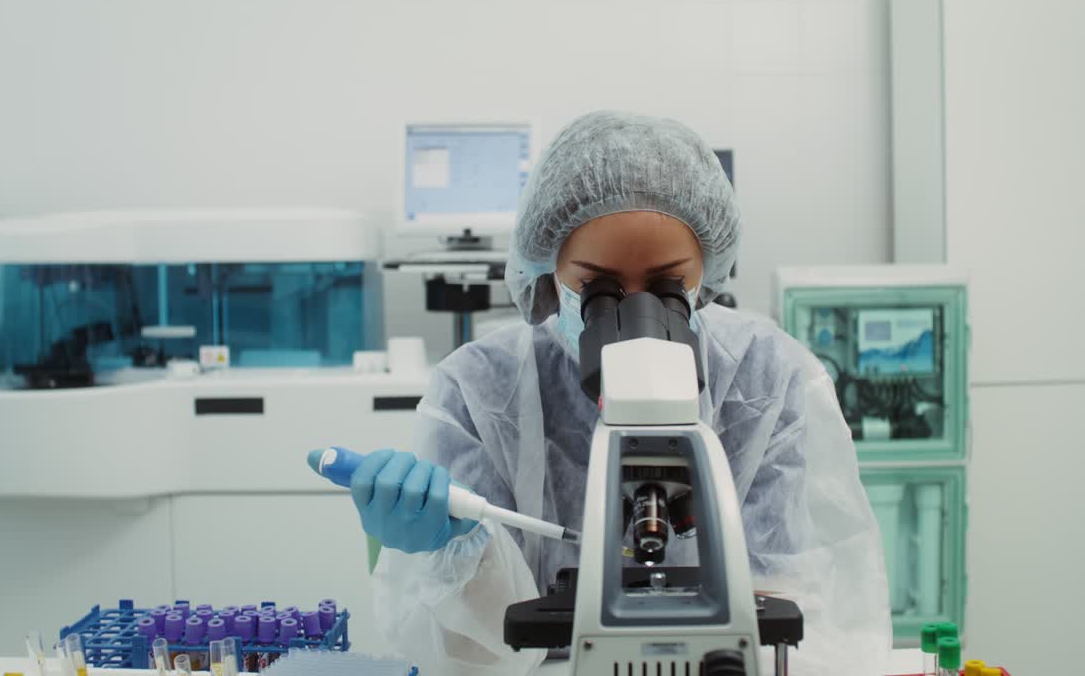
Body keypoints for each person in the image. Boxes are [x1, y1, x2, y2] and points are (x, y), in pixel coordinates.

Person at [350, 111, 891, 675]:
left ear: (709, 269)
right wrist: (449, 552)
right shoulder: (480, 389)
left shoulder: (768, 377)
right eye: (597, 288)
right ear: (546, 269)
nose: (639, 316)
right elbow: (467, 650)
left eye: (667, 287)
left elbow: (801, 602)